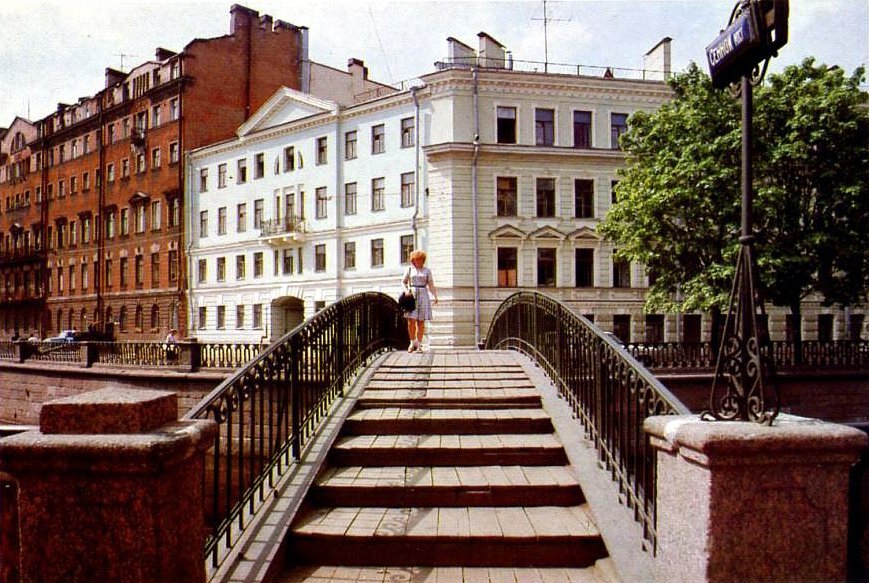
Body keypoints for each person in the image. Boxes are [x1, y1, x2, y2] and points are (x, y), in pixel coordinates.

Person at [401, 249, 438, 352]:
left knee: (420, 321)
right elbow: (403, 282)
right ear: (413, 260)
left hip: (423, 294)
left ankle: (420, 344)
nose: (418, 261)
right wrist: (406, 290)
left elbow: (430, 284)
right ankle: (412, 342)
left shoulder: (427, 270)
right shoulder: (409, 269)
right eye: (416, 259)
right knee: (410, 320)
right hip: (412, 295)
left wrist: (435, 296)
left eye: (421, 259)